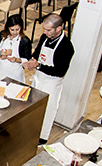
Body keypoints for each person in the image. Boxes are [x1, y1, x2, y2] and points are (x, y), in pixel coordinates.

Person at [23, 14, 75, 145]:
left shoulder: (66, 47)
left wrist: (38, 65)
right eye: (44, 29)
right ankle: (29, 129)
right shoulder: (45, 38)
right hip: (39, 78)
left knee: (48, 110)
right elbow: (38, 52)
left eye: (48, 30)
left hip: (51, 83)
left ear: (59, 28)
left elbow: (60, 71)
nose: (45, 32)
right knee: (32, 105)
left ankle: (42, 137)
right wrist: (33, 61)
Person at [0, 15, 32, 83]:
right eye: (12, 30)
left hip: (14, 73)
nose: (15, 32)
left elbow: (27, 59)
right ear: (7, 28)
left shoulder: (25, 41)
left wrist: (16, 60)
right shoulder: (2, 35)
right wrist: (0, 54)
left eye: (17, 29)